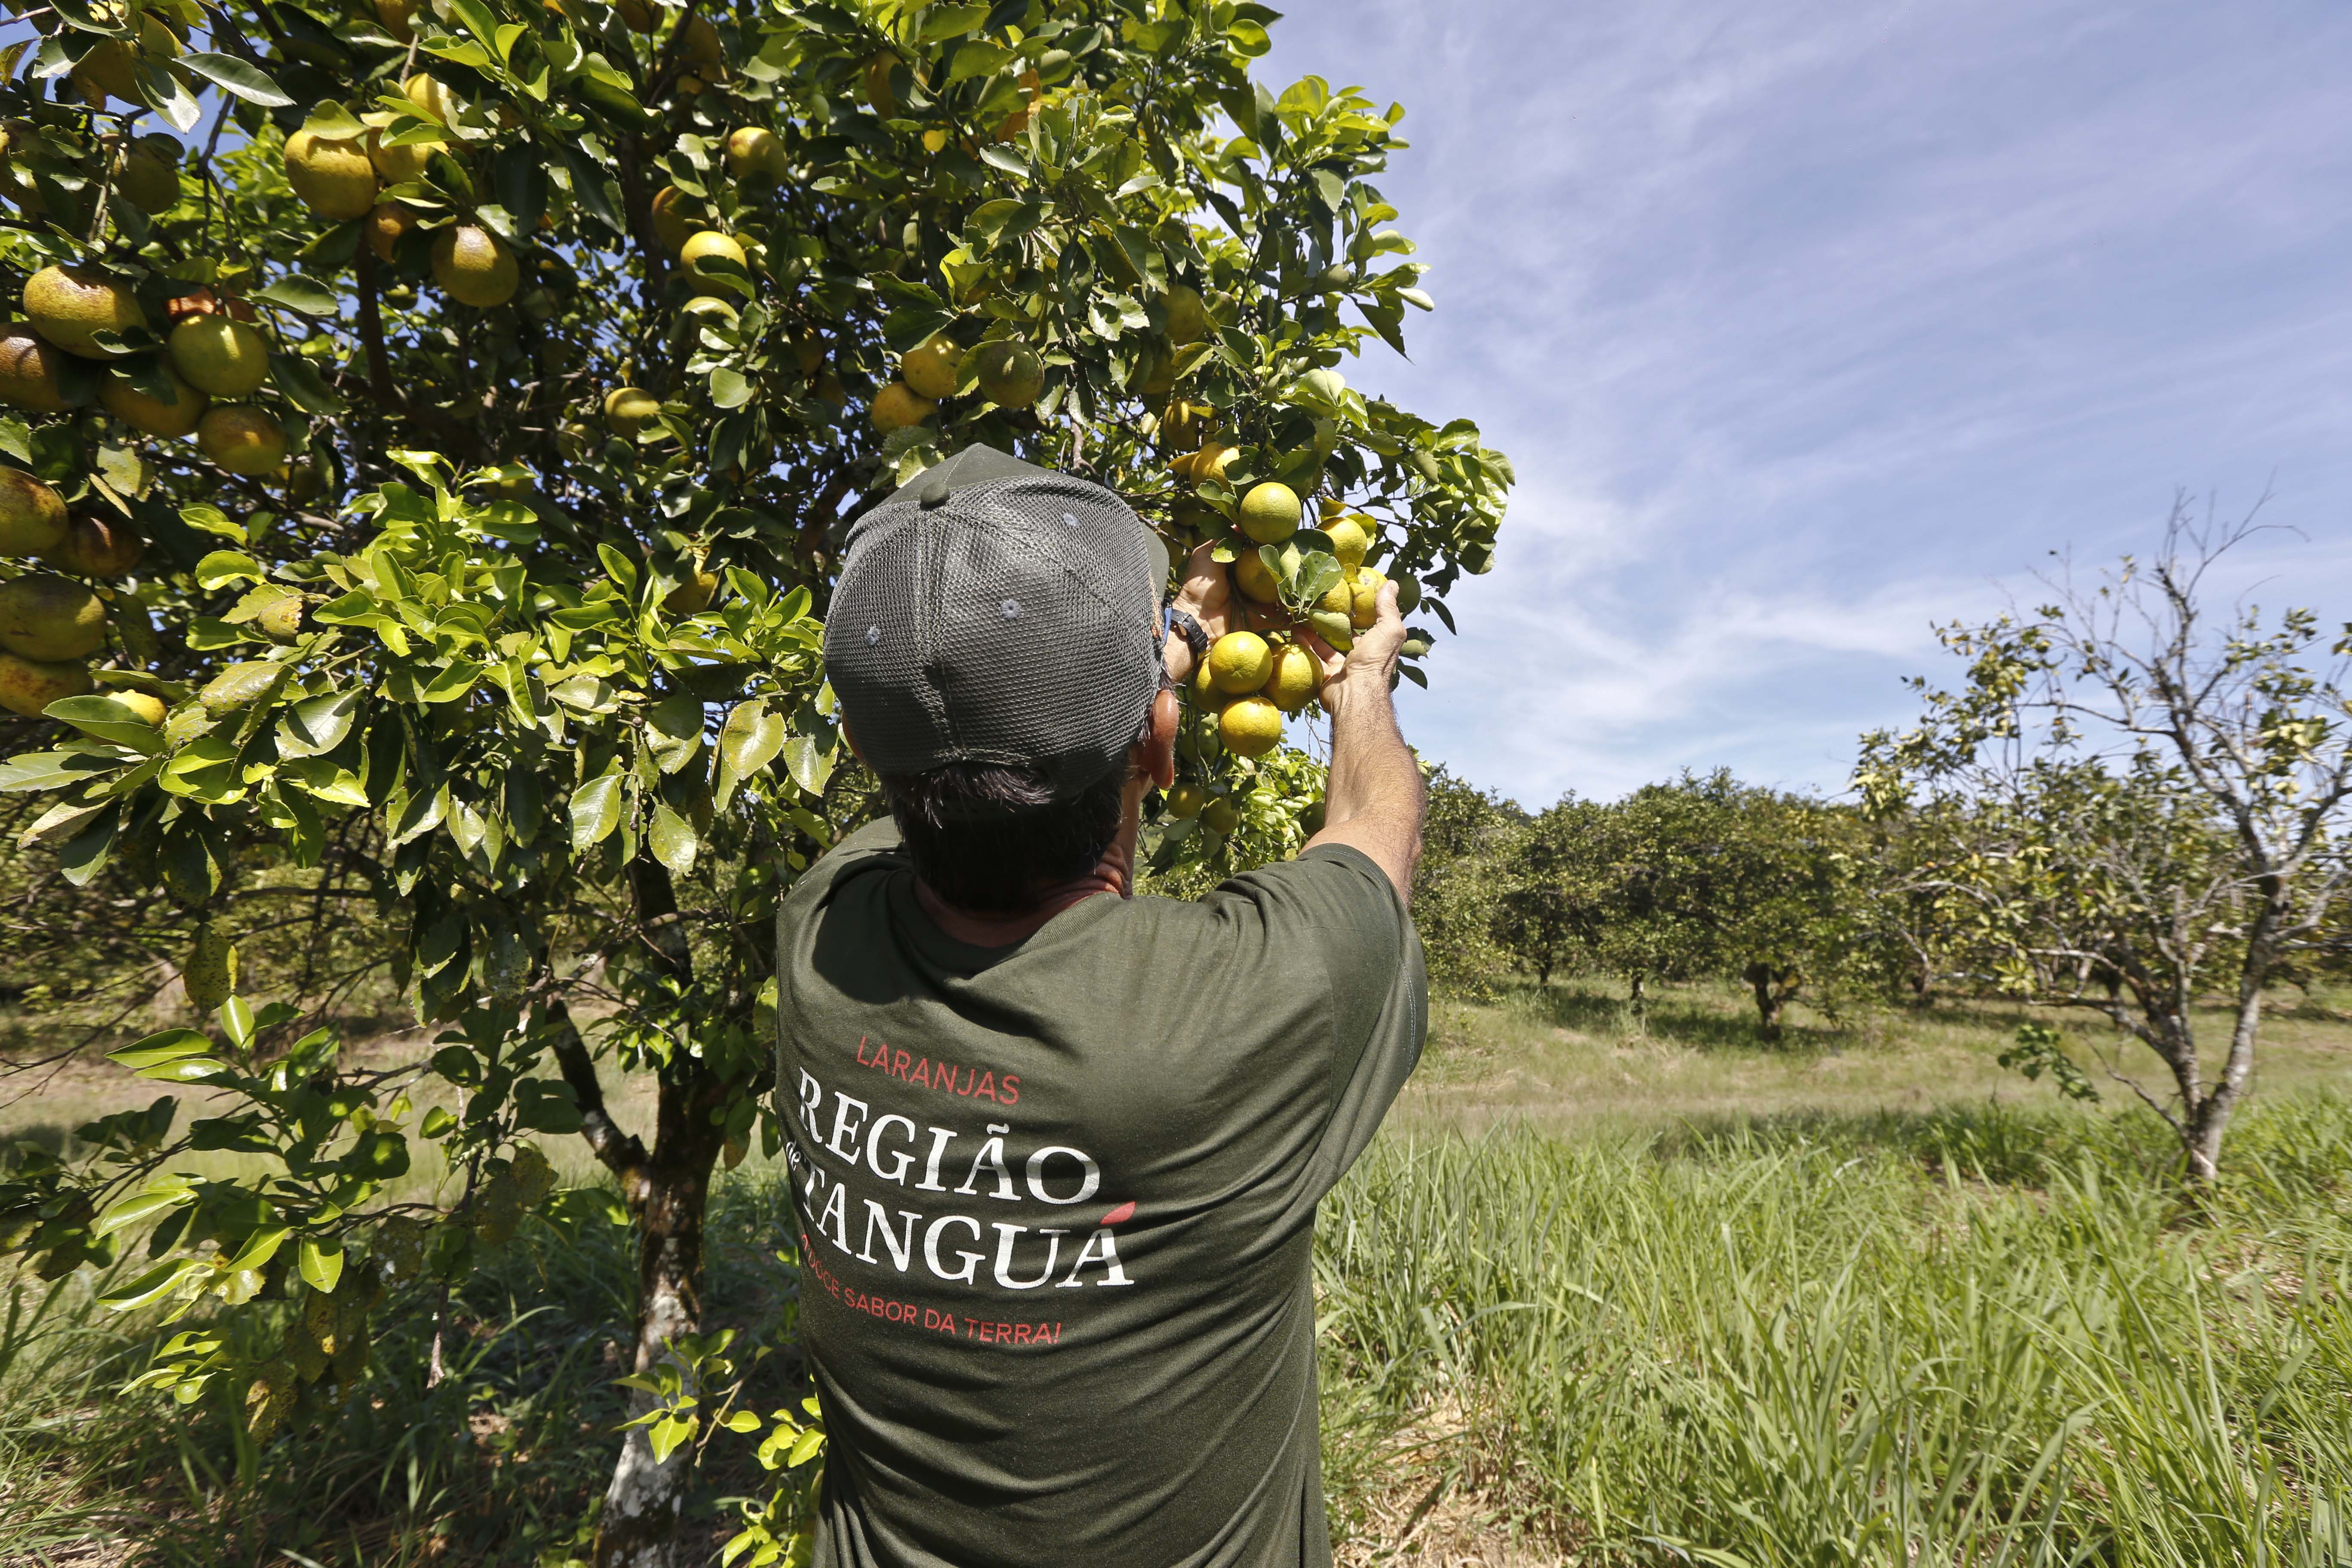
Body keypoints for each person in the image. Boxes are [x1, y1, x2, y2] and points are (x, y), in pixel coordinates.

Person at [774, 443, 1428, 1568]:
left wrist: (1156, 647)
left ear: (874, 756)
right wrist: (1354, 679)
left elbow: (948, 766)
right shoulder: (1252, 1005)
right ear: (1162, 750)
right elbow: (1378, 821)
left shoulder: (821, 935)